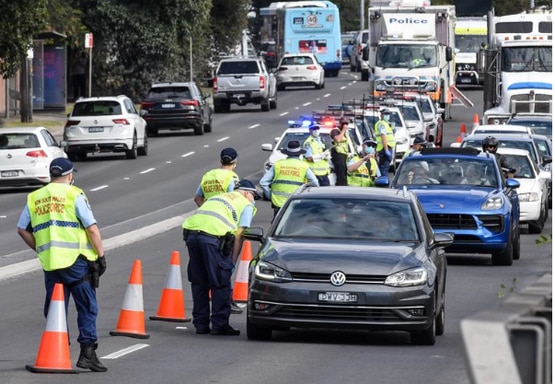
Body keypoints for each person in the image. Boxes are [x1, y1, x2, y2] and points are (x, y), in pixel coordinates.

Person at [16, 158, 107, 372]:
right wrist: (101, 256)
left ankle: (59, 350)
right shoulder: (74, 194)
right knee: (87, 306)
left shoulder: (35, 197)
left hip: (51, 263)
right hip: (77, 261)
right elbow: (91, 228)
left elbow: (22, 229)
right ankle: (87, 353)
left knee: (56, 308)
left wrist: (41, 248)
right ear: (69, 176)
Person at [182, 179, 260, 336]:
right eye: (253, 196)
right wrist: (232, 261)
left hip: (191, 235)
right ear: (246, 192)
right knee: (220, 281)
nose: (254, 200)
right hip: (212, 239)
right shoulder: (246, 204)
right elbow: (240, 234)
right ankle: (219, 324)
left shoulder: (218, 197)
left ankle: (201, 324)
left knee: (199, 282)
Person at [193, 147, 242, 314]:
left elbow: (197, 197)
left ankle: (204, 313)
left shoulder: (208, 175)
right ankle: (225, 302)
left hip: (203, 224)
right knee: (222, 269)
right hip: (222, 229)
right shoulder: (232, 177)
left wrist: (207, 209)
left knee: (201, 276)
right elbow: (233, 199)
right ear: (234, 162)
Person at [260, 140, 319, 219]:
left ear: (287, 153)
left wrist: (270, 195)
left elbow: (263, 182)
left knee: (277, 227)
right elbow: (314, 182)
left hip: (278, 203)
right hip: (296, 202)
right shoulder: (304, 166)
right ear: (299, 153)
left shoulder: (278, 164)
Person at [374, 108, 396, 176]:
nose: (387, 115)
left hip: (388, 148)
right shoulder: (381, 124)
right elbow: (383, 136)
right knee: (383, 168)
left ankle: (383, 181)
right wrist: (386, 150)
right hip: (384, 148)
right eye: (385, 114)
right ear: (381, 115)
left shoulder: (387, 124)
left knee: (384, 168)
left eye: (388, 114)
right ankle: (383, 184)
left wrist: (393, 130)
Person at [330, 118, 350, 186]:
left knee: (344, 175)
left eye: (346, 124)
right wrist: (344, 130)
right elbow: (338, 139)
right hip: (338, 155)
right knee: (340, 175)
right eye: (343, 123)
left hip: (344, 155)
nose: (345, 125)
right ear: (340, 123)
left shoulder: (345, 132)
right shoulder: (335, 131)